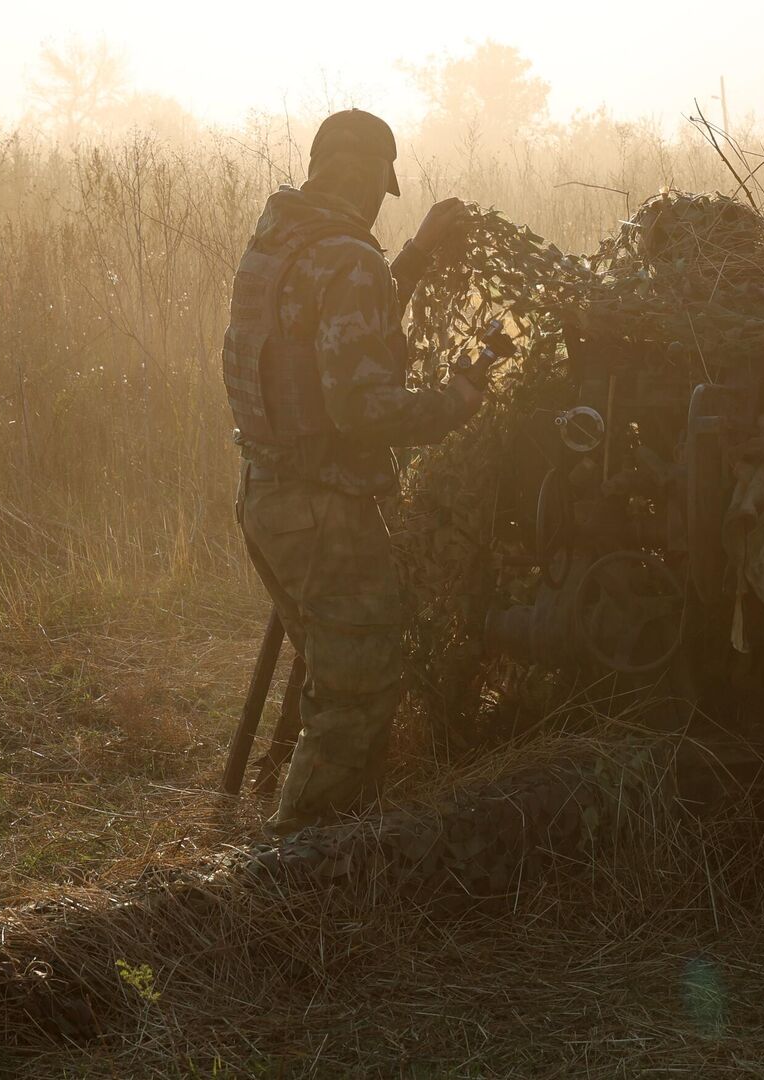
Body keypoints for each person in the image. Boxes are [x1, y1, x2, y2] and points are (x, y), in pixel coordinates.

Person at [223, 109, 485, 835]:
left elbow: (334, 334)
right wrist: (457, 399)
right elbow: (363, 408)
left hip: (266, 498)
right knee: (359, 694)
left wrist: (415, 258)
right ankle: (298, 874)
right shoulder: (348, 259)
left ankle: (324, 847)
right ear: (373, 177)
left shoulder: (277, 242)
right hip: (325, 512)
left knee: (334, 674)